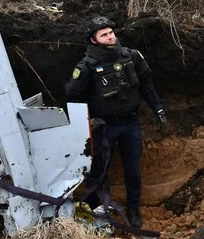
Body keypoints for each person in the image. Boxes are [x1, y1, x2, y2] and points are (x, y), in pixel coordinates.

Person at [66, 16, 166, 229]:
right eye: (104, 35)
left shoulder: (131, 57)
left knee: (133, 170)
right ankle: (93, 209)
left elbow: (147, 86)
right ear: (94, 41)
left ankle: (133, 208)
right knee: (98, 171)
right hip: (104, 127)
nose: (110, 37)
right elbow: (74, 99)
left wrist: (158, 109)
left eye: (111, 32)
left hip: (130, 124)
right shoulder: (86, 68)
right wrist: (86, 124)